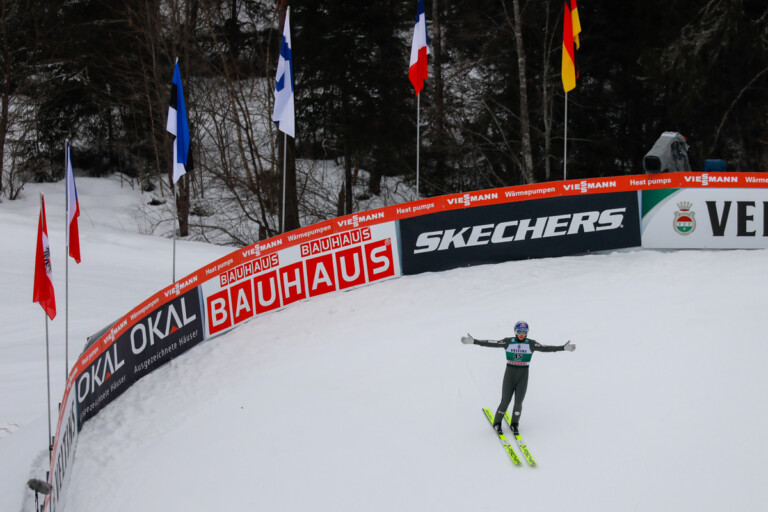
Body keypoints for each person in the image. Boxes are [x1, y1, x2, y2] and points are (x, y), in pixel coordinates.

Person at [461, 320, 575, 434]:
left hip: (523, 376)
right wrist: (474, 341)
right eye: (520, 332)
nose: (522, 335)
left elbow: (546, 348)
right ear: (515, 331)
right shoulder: (508, 342)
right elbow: (492, 343)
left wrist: (563, 348)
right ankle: (497, 422)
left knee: (518, 403)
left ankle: (515, 423)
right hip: (509, 375)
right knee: (505, 401)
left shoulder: (531, 343)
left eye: (524, 333)